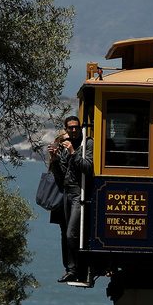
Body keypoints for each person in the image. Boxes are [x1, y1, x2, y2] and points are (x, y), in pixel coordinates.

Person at [50, 116, 94, 282]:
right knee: (66, 234)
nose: (74, 130)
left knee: (71, 234)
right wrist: (54, 158)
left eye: (77, 127)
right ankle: (71, 269)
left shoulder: (87, 144)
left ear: (81, 128)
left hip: (79, 194)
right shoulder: (65, 144)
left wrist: (73, 153)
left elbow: (87, 168)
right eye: (71, 128)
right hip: (66, 194)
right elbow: (61, 175)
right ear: (66, 129)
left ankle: (78, 269)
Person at [47, 130, 69, 275]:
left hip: (61, 200)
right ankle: (68, 266)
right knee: (66, 234)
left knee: (66, 234)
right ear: (60, 142)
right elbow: (61, 176)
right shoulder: (57, 157)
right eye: (67, 140)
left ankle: (68, 266)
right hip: (62, 200)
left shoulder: (57, 156)